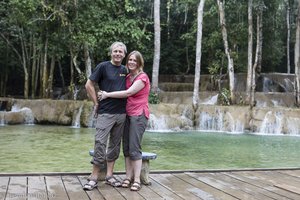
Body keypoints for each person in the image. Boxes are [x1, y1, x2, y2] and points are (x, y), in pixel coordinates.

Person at [99, 50, 150, 191]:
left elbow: (128, 93)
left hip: (139, 115)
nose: (131, 62)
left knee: (134, 147)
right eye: (130, 60)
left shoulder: (142, 78)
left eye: (135, 60)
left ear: (139, 62)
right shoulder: (128, 77)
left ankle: (137, 180)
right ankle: (128, 177)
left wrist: (106, 95)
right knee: (126, 148)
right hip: (127, 114)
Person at [83, 41, 128, 191]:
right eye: (115, 51)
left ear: (124, 54)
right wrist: (96, 102)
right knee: (100, 143)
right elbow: (88, 85)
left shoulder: (125, 70)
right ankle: (94, 177)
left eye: (120, 52)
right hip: (105, 113)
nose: (117, 54)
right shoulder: (103, 66)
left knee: (115, 145)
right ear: (111, 53)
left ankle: (109, 176)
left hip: (121, 113)